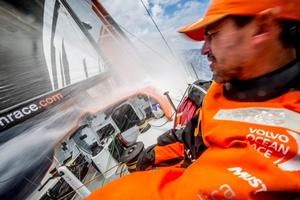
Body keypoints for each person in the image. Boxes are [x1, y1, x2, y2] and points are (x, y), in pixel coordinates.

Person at [87, 0, 300, 199]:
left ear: (262, 28)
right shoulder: (229, 84)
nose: (204, 49)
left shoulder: (284, 136)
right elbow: (191, 136)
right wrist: (153, 155)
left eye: (213, 35)